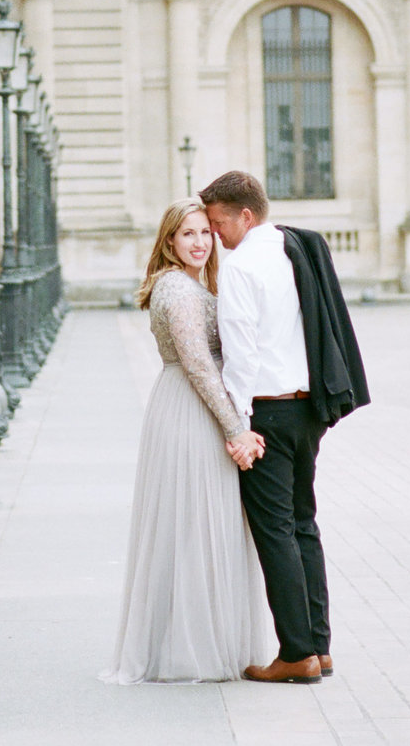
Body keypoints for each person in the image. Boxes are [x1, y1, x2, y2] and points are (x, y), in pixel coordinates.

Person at [200, 171, 370, 685]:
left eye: (218, 223)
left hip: (267, 414)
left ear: (244, 216)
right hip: (307, 410)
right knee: (303, 524)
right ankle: (319, 645)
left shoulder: (240, 267)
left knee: (275, 532)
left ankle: (296, 654)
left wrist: (239, 427)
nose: (215, 236)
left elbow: (241, 355)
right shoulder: (293, 248)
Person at [104, 198, 276, 683]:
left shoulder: (190, 284)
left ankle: (194, 640)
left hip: (190, 403)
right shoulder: (178, 290)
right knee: (196, 522)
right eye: (188, 234)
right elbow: (199, 365)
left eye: (205, 232)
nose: (200, 242)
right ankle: (190, 649)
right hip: (191, 409)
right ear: (170, 242)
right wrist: (235, 428)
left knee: (197, 523)